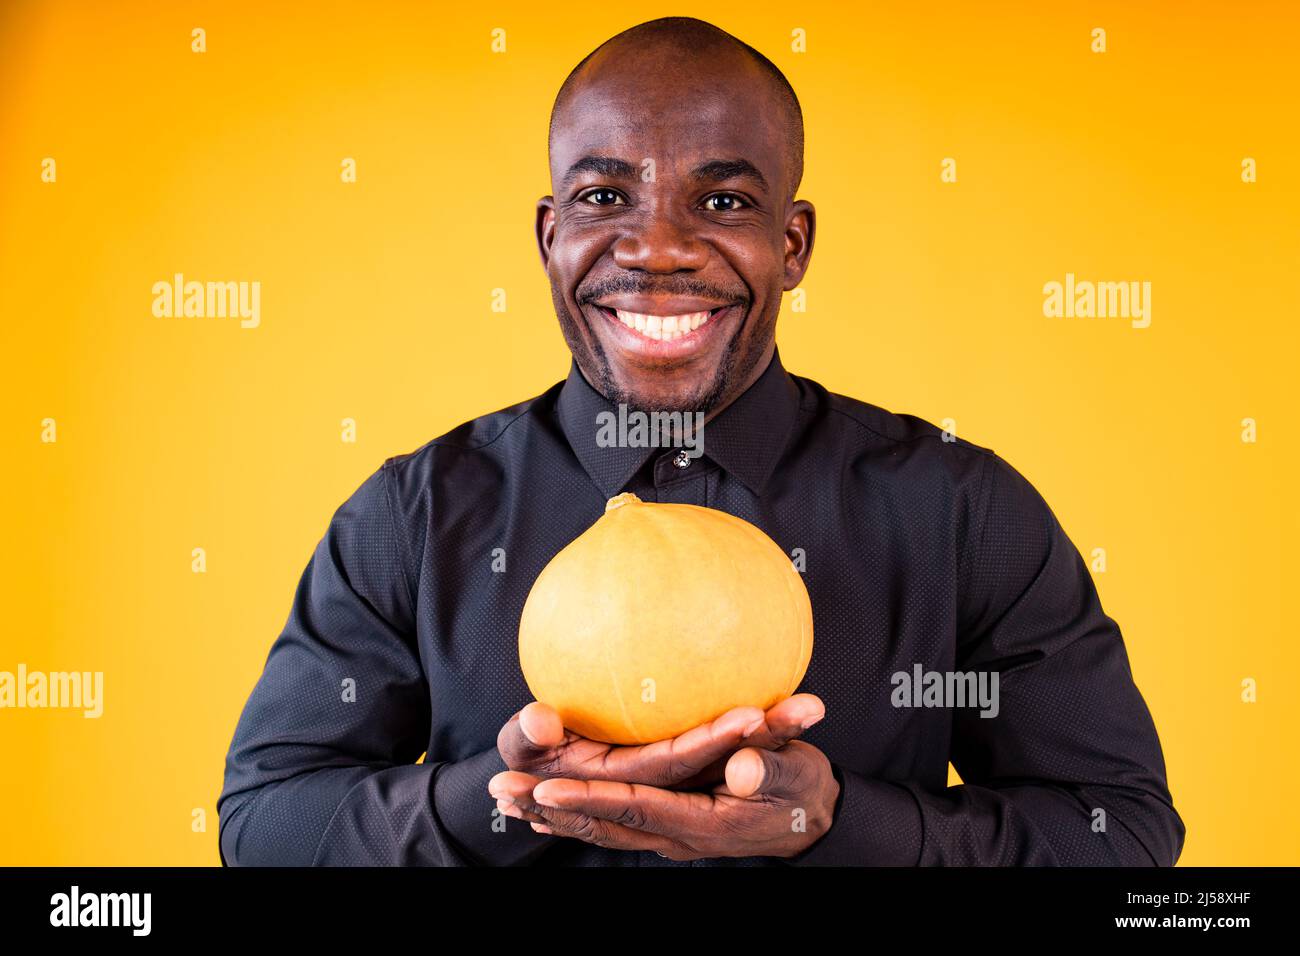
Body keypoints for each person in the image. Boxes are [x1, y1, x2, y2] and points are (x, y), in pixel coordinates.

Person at [217, 17, 1184, 866]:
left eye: (723, 202)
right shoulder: (412, 515)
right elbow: (264, 826)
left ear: (793, 244)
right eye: (604, 199)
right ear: (548, 236)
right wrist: (507, 801)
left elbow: (1122, 834)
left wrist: (841, 826)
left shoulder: (962, 512)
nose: (659, 248)